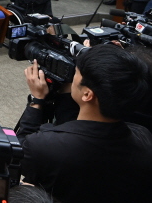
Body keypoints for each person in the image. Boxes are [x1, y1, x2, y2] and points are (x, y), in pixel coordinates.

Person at [17, 44, 152, 202]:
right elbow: (81, 129)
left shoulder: (44, 147)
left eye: (76, 73)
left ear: (88, 94)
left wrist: (37, 100)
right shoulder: (143, 137)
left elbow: (19, 149)